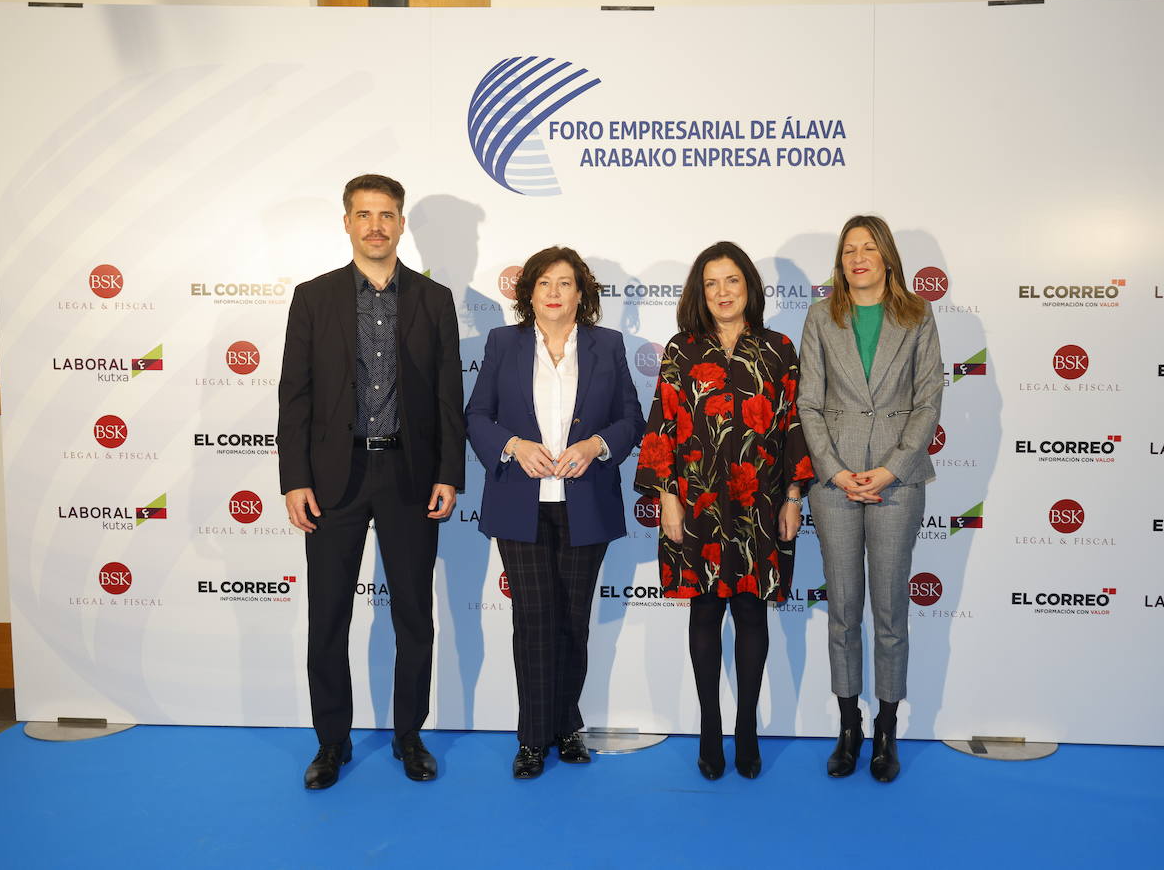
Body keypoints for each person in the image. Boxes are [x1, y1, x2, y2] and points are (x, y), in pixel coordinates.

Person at [277, 174, 465, 790]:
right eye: (365, 215)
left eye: (387, 215)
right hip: (334, 479)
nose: (376, 226)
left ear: (402, 224)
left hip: (410, 476)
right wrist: (294, 478)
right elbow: (295, 397)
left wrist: (448, 472)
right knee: (327, 616)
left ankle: (409, 736)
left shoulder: (434, 302)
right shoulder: (313, 298)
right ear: (348, 223)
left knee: (414, 615)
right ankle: (331, 743)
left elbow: (447, 397)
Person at [636, 241, 813, 780]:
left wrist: (792, 497)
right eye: (710, 283)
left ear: (749, 287)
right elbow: (663, 423)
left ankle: (747, 729)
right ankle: (710, 728)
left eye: (731, 281)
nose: (721, 292)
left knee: (753, 612)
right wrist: (666, 496)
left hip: (759, 503)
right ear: (699, 292)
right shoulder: (681, 350)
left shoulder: (779, 349)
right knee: (706, 611)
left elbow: (792, 427)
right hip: (697, 503)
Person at [466, 247, 645, 780]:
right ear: (529, 291)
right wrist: (513, 446)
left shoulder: (607, 345)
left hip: (584, 503)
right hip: (521, 506)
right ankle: (531, 738)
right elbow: (476, 415)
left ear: (580, 293)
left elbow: (631, 418)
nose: (553, 291)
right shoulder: (503, 343)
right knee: (533, 622)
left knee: (573, 622)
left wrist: (595, 445)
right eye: (545, 281)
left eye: (565, 283)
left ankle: (566, 727)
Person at [797, 214, 942, 783]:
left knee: (888, 612)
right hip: (833, 487)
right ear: (841, 260)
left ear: (886, 257)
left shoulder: (917, 315)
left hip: (896, 485)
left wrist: (890, 469)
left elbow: (928, 401)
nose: (859, 257)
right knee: (842, 612)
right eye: (849, 249)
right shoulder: (820, 316)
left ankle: (886, 727)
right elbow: (809, 402)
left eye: (869, 248)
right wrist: (833, 471)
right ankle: (848, 725)